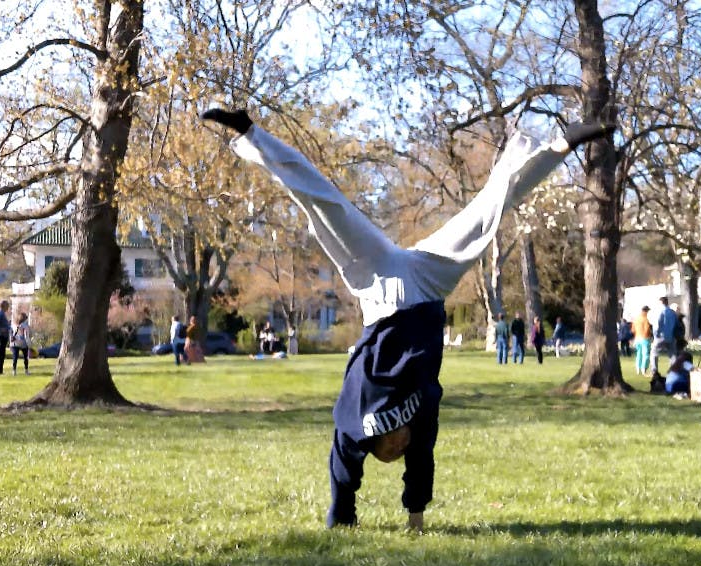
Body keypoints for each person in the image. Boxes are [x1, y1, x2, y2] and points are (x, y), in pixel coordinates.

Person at [202, 105, 606, 530]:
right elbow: (421, 462)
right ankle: (563, 144)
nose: (401, 446)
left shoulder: (358, 416)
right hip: (429, 282)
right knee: (487, 212)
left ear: (378, 440)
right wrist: (415, 517)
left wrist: (341, 515)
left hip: (375, 280)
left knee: (324, 202)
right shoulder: (421, 412)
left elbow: (343, 462)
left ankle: (250, 132)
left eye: (392, 447)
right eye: (402, 446)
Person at [650, 296, 678, 373]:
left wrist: (656, 334)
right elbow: (677, 324)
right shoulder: (672, 312)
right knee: (672, 354)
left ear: (660, 303)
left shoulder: (659, 312)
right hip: (671, 336)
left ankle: (654, 370)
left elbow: (658, 323)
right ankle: (673, 370)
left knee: (654, 353)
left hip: (660, 336)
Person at [631, 305, 652, 375]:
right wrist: (650, 336)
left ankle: (638, 368)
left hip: (637, 338)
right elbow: (647, 329)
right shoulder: (645, 319)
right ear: (646, 311)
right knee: (646, 354)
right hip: (645, 338)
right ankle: (644, 369)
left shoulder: (636, 319)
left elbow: (633, 330)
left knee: (639, 354)